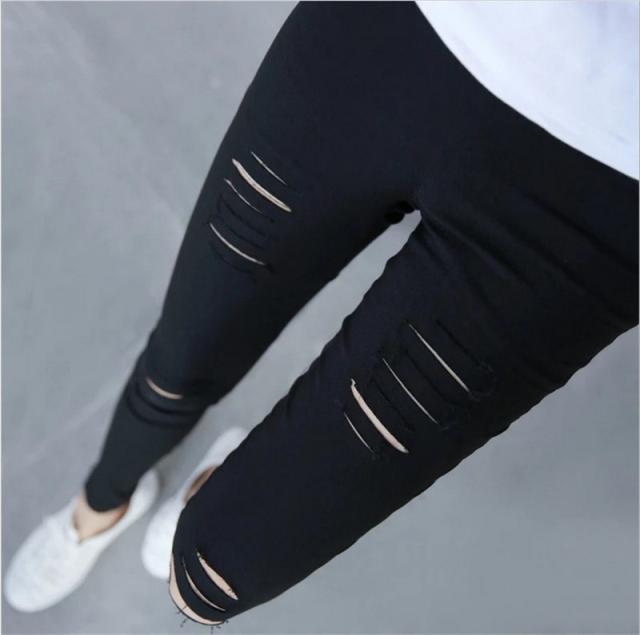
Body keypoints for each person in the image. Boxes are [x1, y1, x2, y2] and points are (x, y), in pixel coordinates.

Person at [5, 0, 638, 626]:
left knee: (210, 576)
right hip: (402, 30)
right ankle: (99, 507)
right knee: (179, 360)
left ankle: (217, 481)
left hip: (604, 184)